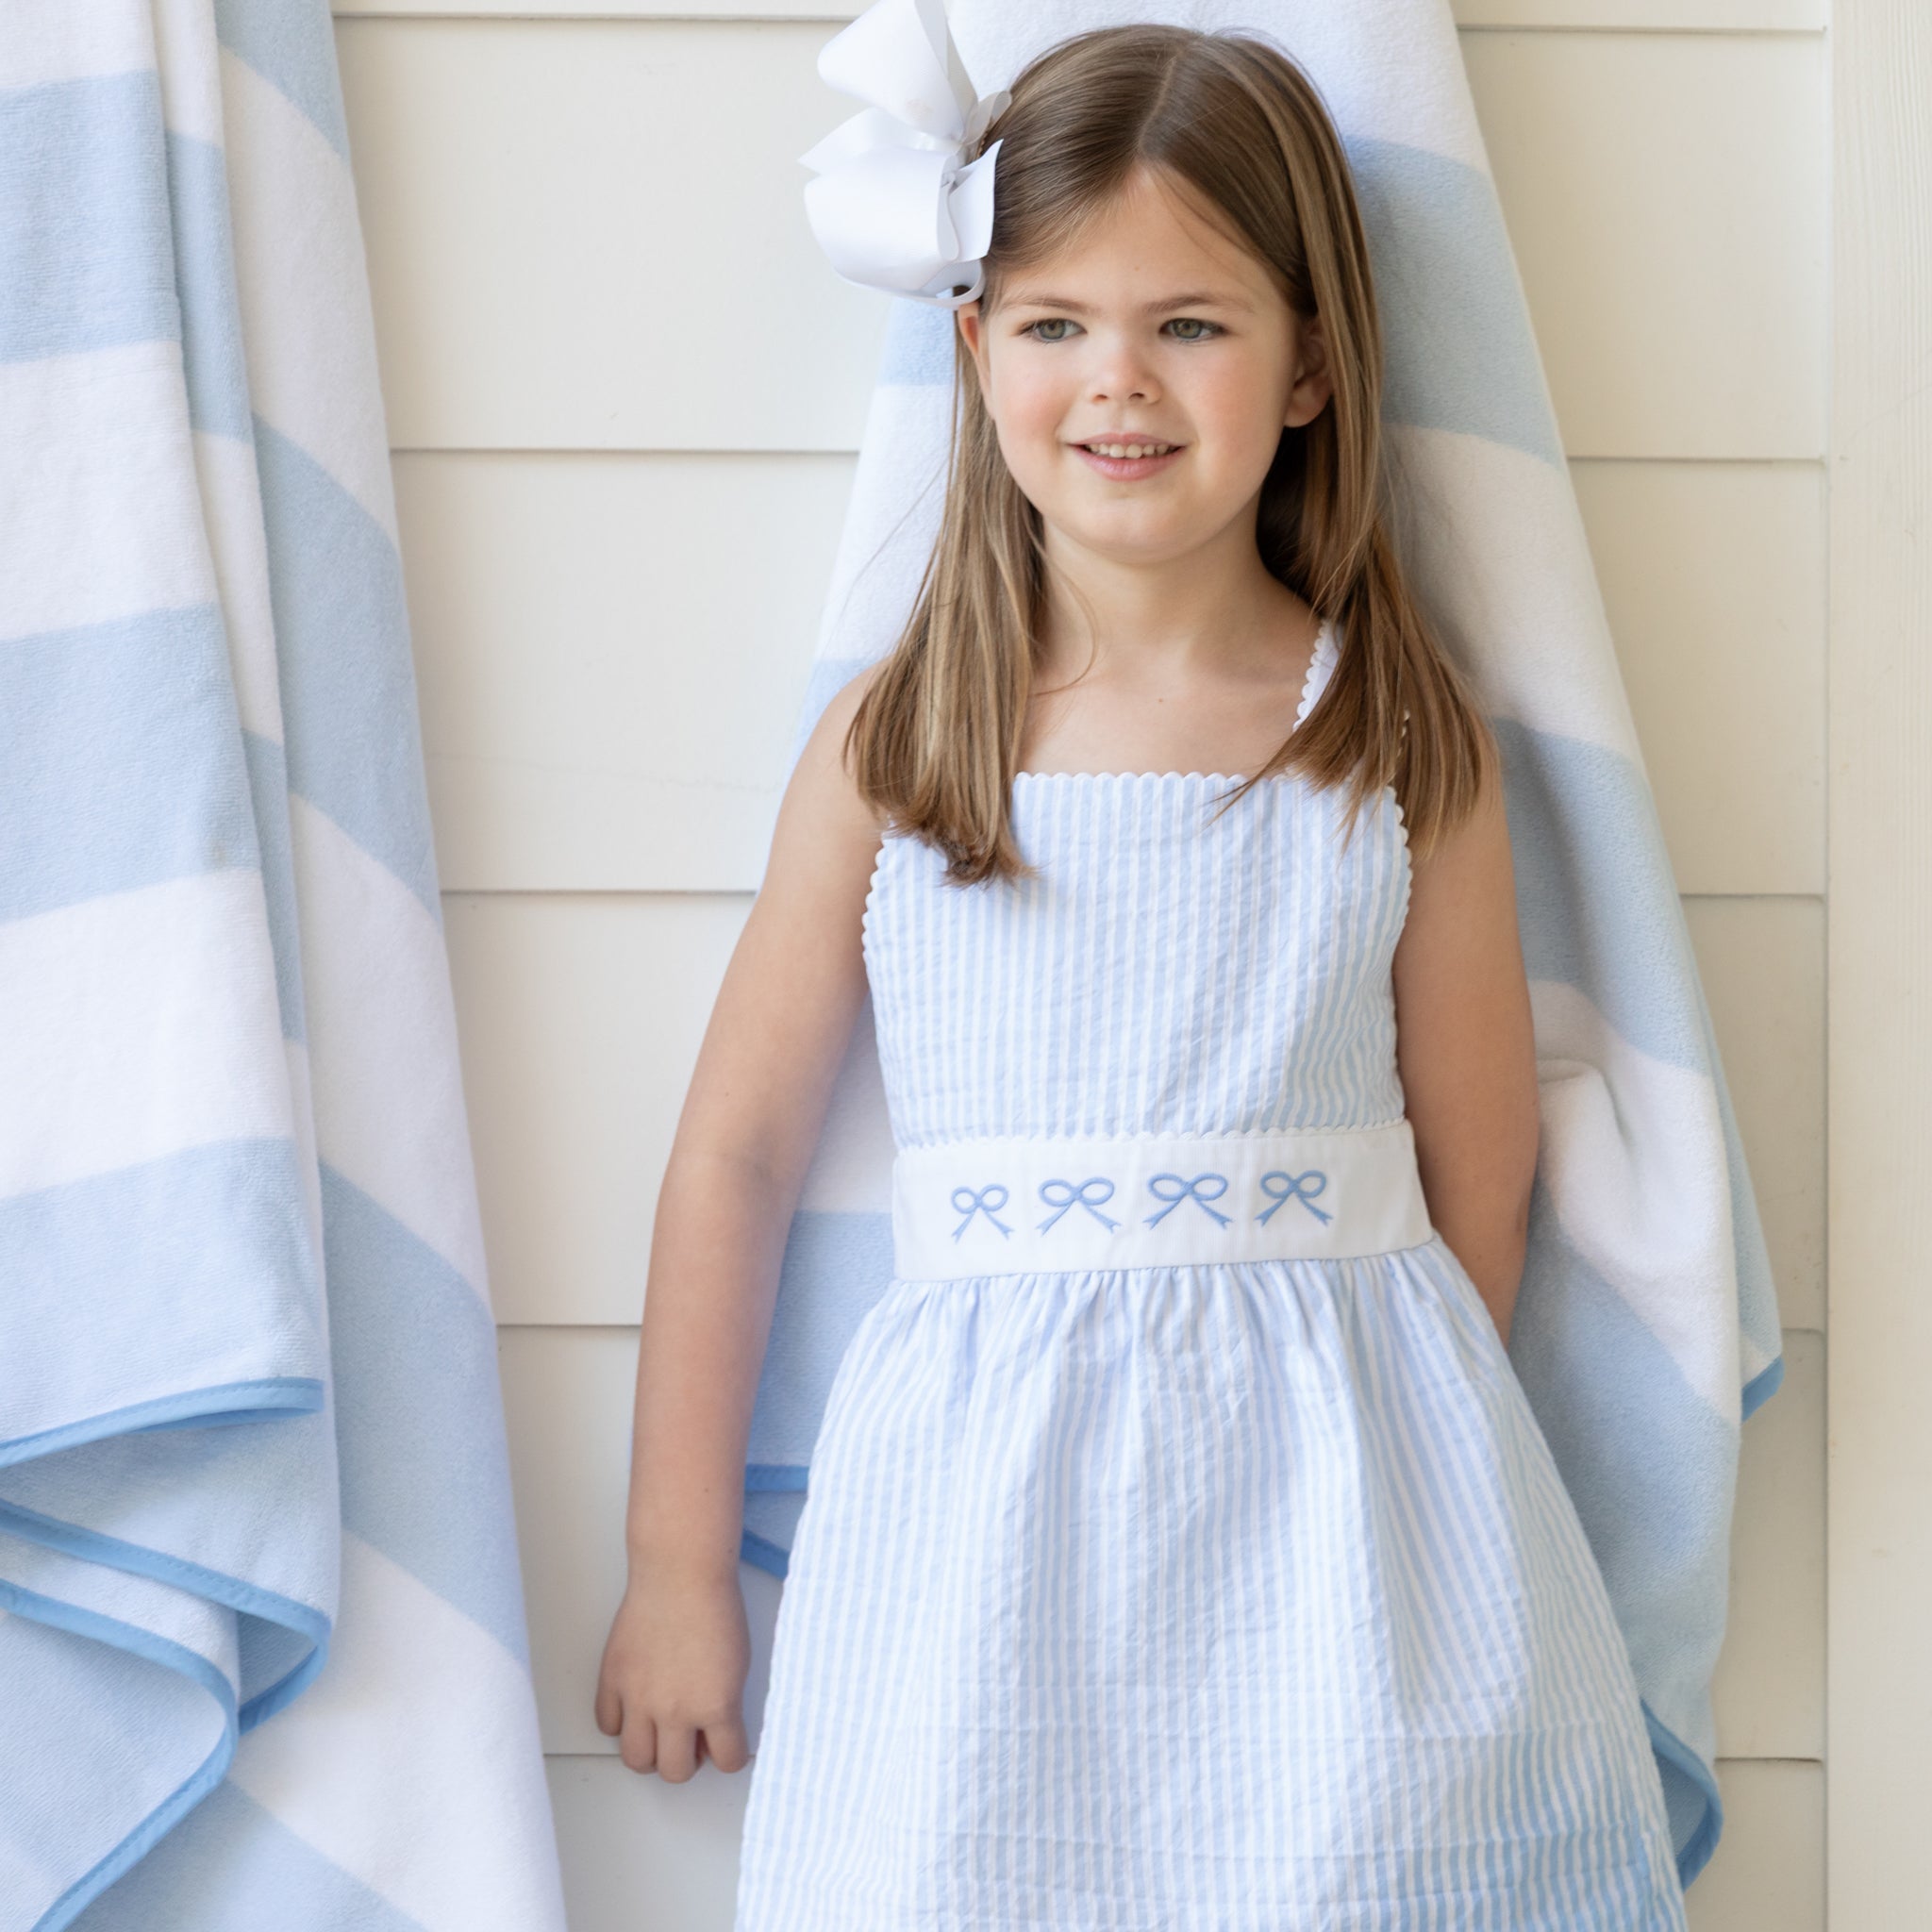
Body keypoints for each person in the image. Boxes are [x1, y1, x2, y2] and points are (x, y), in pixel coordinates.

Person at [595, 15, 1690, 1927]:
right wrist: (677, 1567)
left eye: (1189, 323)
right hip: (981, 1530)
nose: (1118, 380)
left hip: (1347, 1514)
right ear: (973, 350)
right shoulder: (899, 746)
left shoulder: (1392, 734)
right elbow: (735, 1159)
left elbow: (1480, 1166)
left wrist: (1415, 1468)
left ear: (1310, 367)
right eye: (1054, 323)